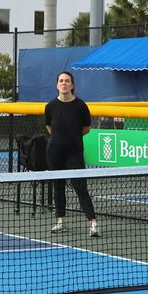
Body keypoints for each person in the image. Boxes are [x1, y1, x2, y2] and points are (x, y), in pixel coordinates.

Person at [44, 71, 99, 236]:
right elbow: (49, 127)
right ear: (57, 85)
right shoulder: (50, 106)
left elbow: (86, 129)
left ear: (72, 85)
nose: (64, 83)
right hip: (54, 152)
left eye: (67, 81)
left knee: (81, 188)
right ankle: (60, 221)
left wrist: (71, 137)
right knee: (58, 186)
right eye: (61, 80)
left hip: (74, 152)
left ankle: (93, 224)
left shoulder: (81, 106)